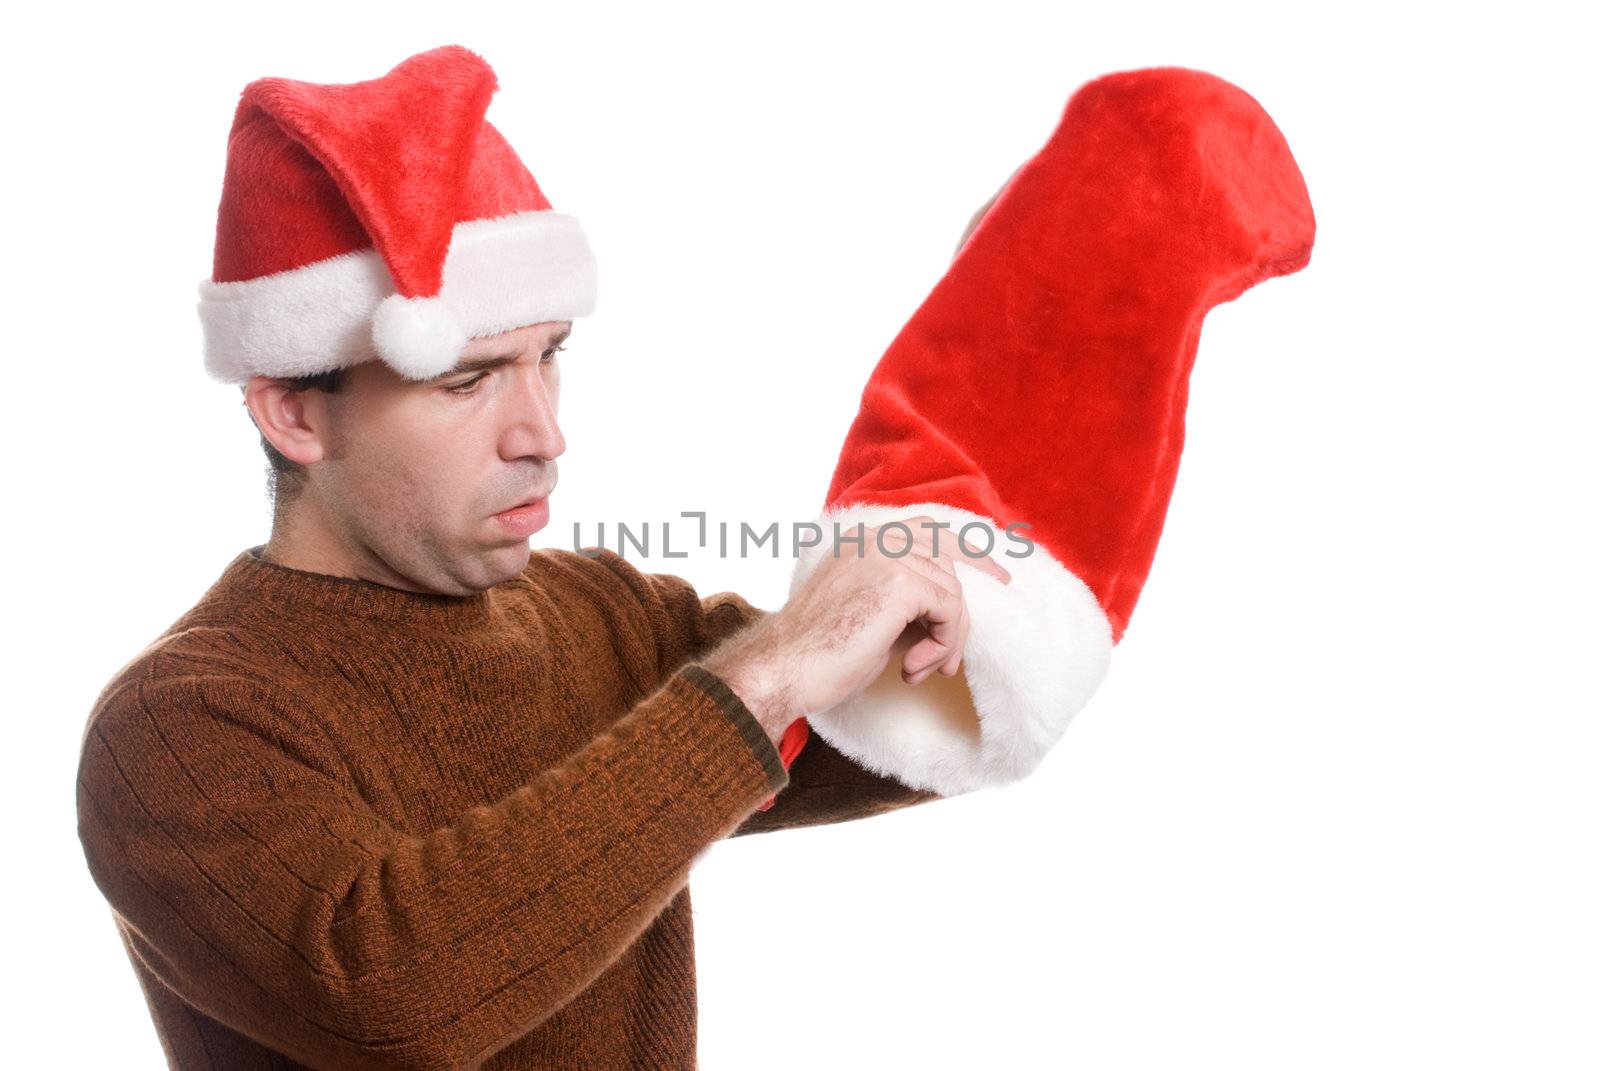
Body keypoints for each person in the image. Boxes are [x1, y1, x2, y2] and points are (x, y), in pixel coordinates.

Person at [75, 45, 1010, 1070]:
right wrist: (767, 671)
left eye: (548, 357)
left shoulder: (598, 614)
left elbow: (927, 730)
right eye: (467, 379)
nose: (542, 434)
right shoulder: (179, 727)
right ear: (294, 411)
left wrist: (999, 360)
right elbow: (394, 998)